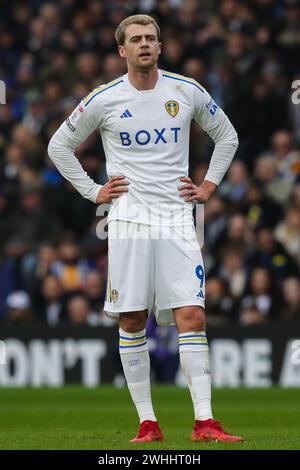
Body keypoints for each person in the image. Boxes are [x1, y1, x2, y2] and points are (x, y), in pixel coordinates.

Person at [48, 14, 243, 444]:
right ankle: (148, 423)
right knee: (133, 319)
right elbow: (58, 145)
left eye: (151, 38)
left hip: (176, 218)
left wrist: (209, 185)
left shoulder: (185, 90)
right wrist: (93, 191)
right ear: (122, 50)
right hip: (128, 221)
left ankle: (205, 422)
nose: (144, 44)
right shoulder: (104, 99)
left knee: (192, 315)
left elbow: (227, 136)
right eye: (135, 39)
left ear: (160, 45)